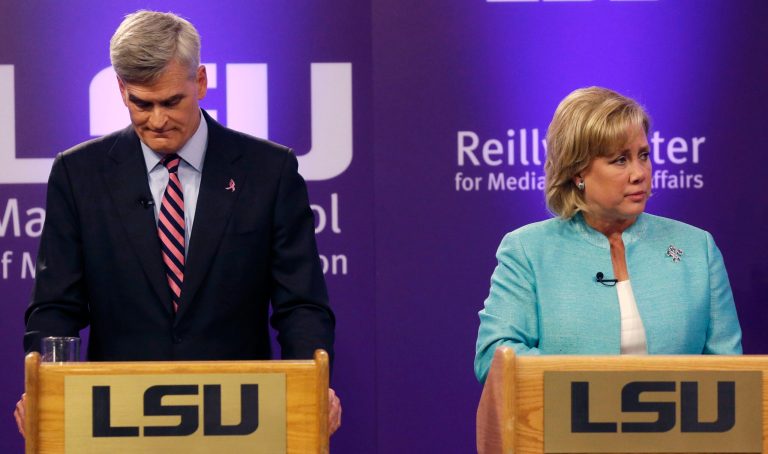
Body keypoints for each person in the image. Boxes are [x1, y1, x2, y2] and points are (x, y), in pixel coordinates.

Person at [15, 10, 340, 435]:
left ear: (200, 81)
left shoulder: (269, 171)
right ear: (121, 90)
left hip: (239, 417)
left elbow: (301, 304)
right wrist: (46, 386)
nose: (156, 121)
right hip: (117, 419)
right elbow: (56, 307)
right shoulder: (79, 175)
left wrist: (312, 385)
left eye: (171, 101)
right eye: (140, 103)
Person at [474, 86, 742, 383]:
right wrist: (589, 387)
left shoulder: (697, 248)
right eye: (620, 160)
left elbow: (730, 371)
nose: (639, 172)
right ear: (578, 172)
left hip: (679, 428)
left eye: (643, 155)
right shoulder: (528, 250)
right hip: (566, 425)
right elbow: (494, 356)